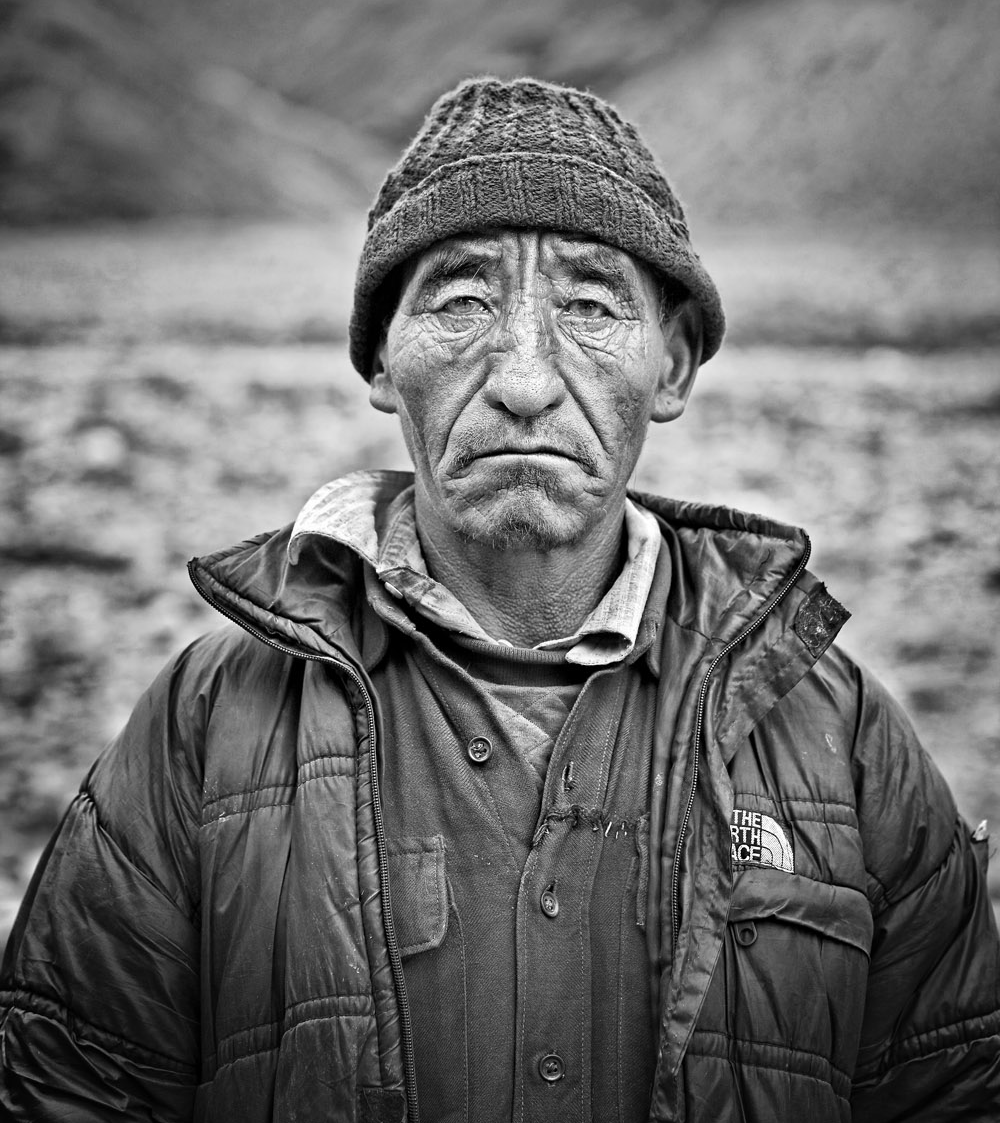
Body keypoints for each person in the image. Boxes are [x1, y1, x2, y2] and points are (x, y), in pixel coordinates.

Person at [1, 76, 997, 1122]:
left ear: (675, 366)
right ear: (381, 359)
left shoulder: (842, 738)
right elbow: (66, 1090)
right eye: (462, 300)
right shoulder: (207, 725)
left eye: (589, 305)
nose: (523, 378)